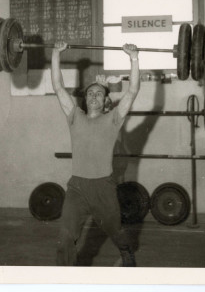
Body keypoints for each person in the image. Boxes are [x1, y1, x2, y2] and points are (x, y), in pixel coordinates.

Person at [51, 41, 140, 267]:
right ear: (85, 98)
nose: (93, 96)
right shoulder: (75, 117)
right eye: (90, 92)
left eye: (99, 93)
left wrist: (134, 58)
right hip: (77, 188)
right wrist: (55, 53)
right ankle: (64, 280)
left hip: (104, 187)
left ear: (105, 101)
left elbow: (133, 91)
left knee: (115, 230)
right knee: (64, 238)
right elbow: (58, 87)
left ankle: (126, 251)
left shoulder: (113, 120)